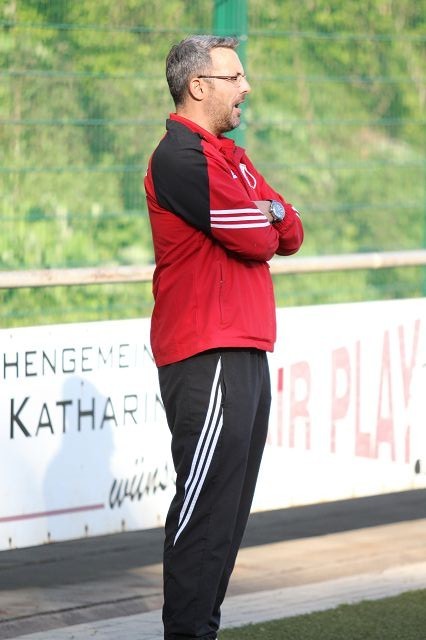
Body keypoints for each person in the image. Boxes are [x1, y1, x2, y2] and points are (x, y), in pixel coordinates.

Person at [144, 34, 304, 640]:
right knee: (205, 511)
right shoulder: (179, 155)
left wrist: (272, 212)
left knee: (228, 515)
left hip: (245, 350)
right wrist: (266, 215)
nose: (246, 87)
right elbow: (257, 237)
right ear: (198, 86)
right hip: (205, 352)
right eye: (234, 78)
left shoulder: (231, 156)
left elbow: (291, 229)